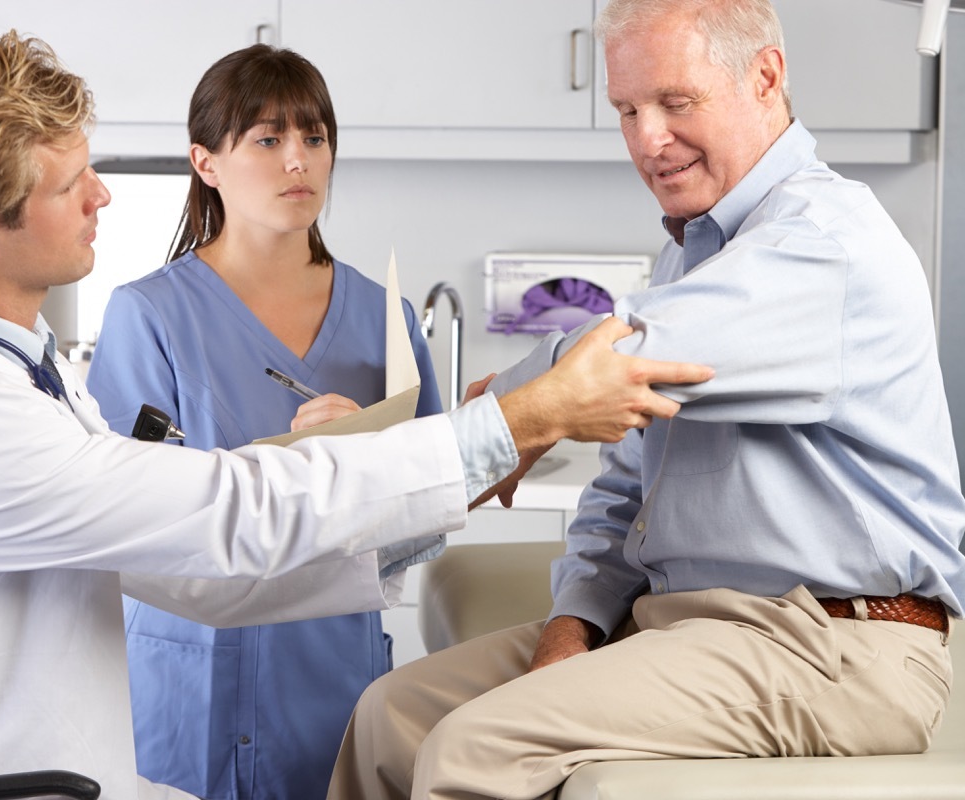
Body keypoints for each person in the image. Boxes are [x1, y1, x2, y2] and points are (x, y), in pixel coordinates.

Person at [0, 31, 712, 800]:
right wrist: (520, 420)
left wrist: (447, 467)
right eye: (70, 183)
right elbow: (225, 513)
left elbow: (204, 571)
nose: (104, 197)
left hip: (73, 764)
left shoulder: (20, 372)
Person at [327, 1, 965, 798]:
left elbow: (618, 356)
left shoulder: (823, 242)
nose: (646, 139)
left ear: (765, 77)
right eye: (627, 109)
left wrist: (509, 410)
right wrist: (576, 622)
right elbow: (628, 487)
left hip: (835, 646)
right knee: (393, 716)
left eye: (675, 102)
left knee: (473, 748)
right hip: (687, 624)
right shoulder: (692, 257)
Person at [84, 45, 441, 800]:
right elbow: (125, 511)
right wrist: (285, 467)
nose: (298, 163)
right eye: (268, 140)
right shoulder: (148, 314)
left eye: (314, 139)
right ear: (205, 162)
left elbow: (434, 509)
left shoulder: (385, 318)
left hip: (330, 669)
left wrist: (372, 460)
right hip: (190, 675)